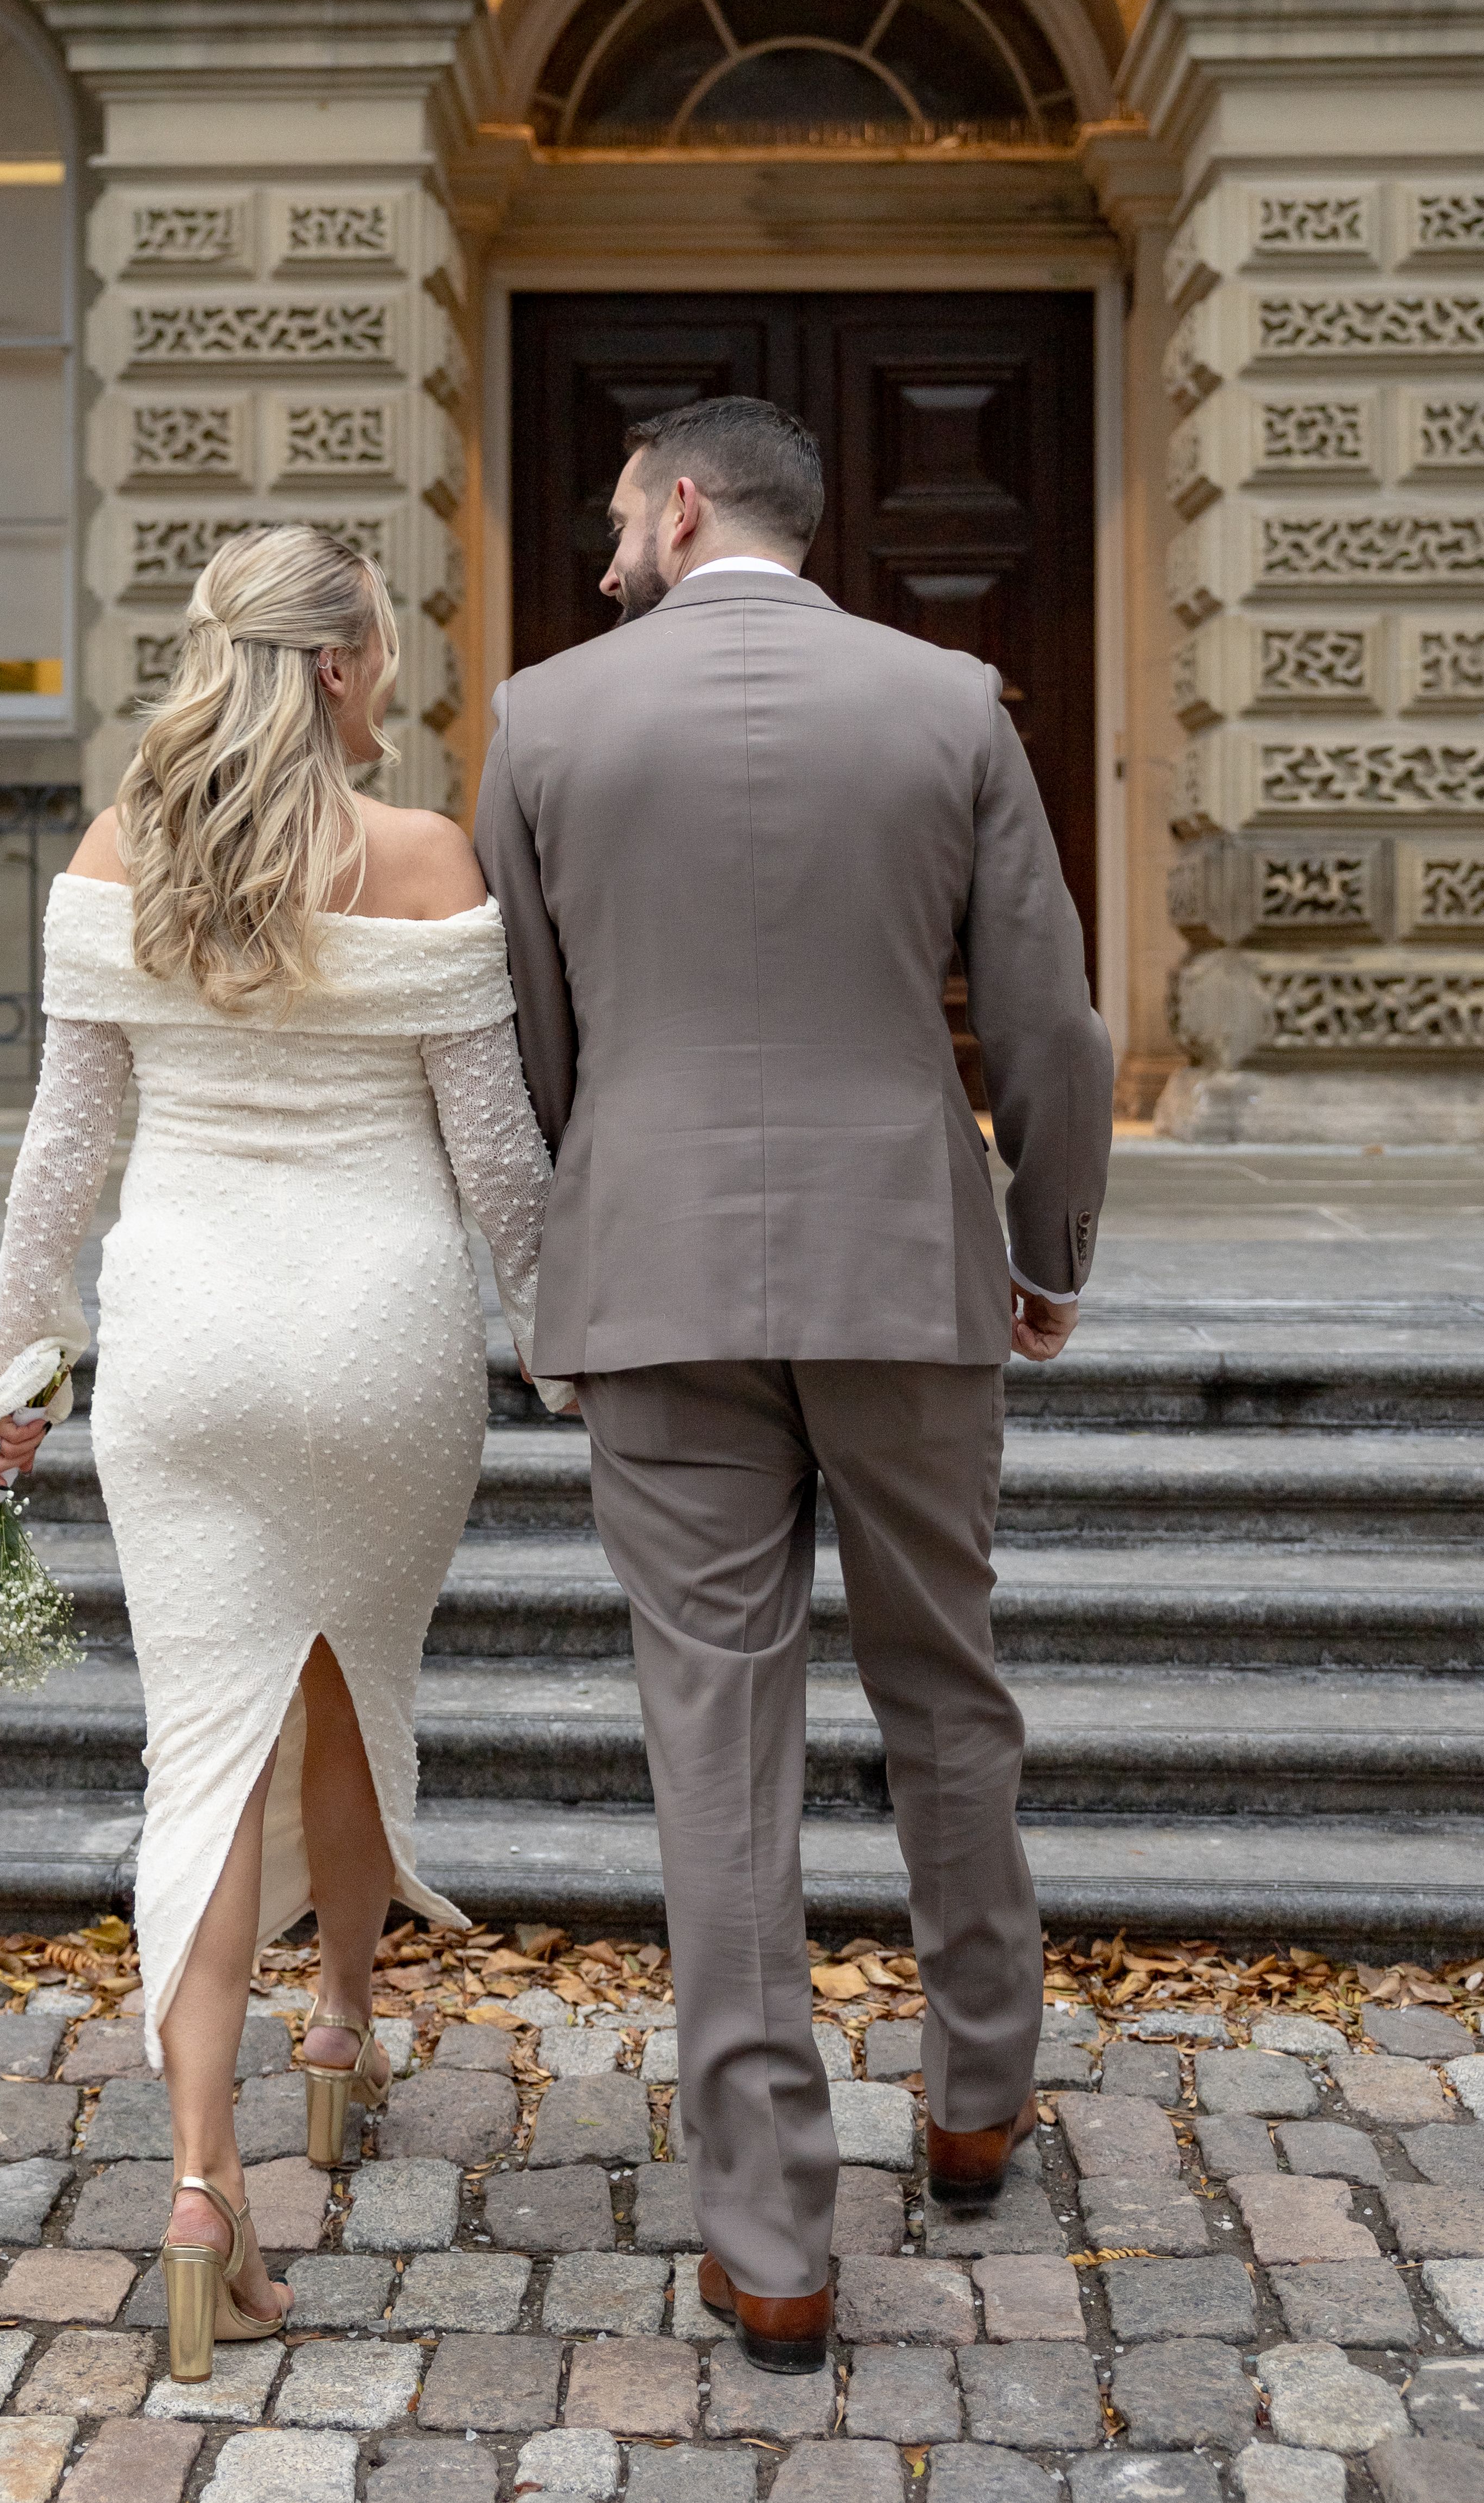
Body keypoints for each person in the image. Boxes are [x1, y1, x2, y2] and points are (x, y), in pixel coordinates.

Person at [475, 391, 1113, 2377]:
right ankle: (977, 2096)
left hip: (655, 1266)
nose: (602, 554)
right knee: (947, 1687)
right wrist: (1050, 1246)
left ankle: (770, 2241)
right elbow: (1048, 1017)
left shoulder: (544, 720)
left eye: (611, 518)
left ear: (677, 509)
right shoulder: (948, 700)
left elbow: (526, 1034)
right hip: (902, 1255)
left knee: (714, 1748)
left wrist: (586, 1226)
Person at [0, 524, 565, 2382]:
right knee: (353, 1685)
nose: (393, 673)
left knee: (204, 1750)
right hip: (383, 1338)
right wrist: (554, 1341)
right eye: (382, 644)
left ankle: (206, 2180)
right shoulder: (421, 857)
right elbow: (497, 1164)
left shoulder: (119, 853)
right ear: (335, 667)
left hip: (191, 1340)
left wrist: (10, 1354)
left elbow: (64, 1149)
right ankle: (342, 2021)